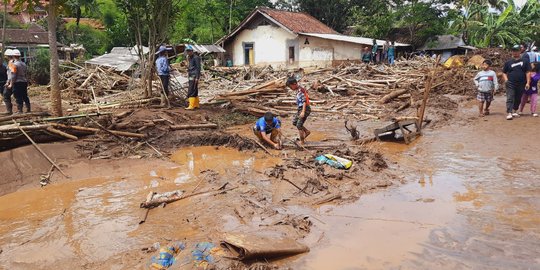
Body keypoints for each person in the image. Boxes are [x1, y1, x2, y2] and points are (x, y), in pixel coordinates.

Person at [503, 45, 532, 120]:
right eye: (513, 51)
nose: (515, 52)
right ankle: (509, 112)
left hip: (522, 83)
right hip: (510, 83)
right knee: (510, 97)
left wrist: (528, 82)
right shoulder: (508, 62)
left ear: (520, 51)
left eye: (516, 51)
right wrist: (506, 80)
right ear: (511, 52)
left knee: (518, 98)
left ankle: (515, 110)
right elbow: (504, 72)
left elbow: (528, 72)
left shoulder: (525, 61)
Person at [286, 77, 311, 145]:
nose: (290, 88)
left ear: (294, 84)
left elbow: (304, 101)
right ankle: (306, 131)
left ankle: (302, 141)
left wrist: (303, 111)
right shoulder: (297, 90)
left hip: (305, 109)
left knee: (299, 125)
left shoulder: (300, 90)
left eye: (290, 86)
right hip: (300, 109)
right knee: (295, 122)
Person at [8, 49, 29, 114]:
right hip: (24, 82)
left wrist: (11, 84)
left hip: (17, 82)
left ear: (13, 56)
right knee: (25, 95)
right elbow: (26, 73)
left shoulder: (14, 65)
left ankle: (20, 110)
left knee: (18, 96)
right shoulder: (23, 64)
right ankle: (28, 108)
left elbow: (13, 75)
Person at [185, 45, 201, 110]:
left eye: (189, 51)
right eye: (187, 51)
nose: (188, 53)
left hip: (194, 76)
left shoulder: (196, 58)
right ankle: (196, 104)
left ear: (192, 51)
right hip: (191, 75)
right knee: (195, 90)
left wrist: (197, 77)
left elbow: (198, 68)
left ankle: (191, 106)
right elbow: (191, 67)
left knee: (191, 90)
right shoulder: (190, 58)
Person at [2, 49, 12, 115]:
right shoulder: (11, 62)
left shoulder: (11, 63)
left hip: (12, 82)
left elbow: (12, 74)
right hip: (13, 81)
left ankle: (9, 111)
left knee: (5, 95)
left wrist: (9, 83)